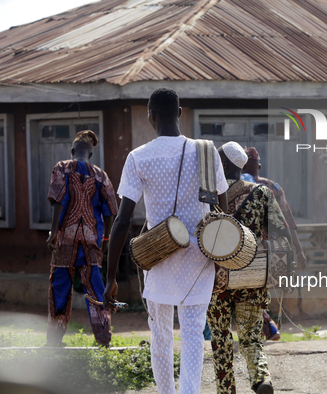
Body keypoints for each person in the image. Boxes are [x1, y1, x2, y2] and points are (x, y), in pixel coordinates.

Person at [103, 88, 228, 394]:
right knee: (193, 335)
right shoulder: (206, 151)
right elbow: (224, 212)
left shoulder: (138, 157)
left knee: (160, 336)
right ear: (180, 113)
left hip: (156, 257)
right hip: (199, 258)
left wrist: (109, 278)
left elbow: (121, 221)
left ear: (151, 117)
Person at [207, 142, 292, 394]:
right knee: (252, 339)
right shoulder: (262, 193)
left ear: (222, 164)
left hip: (218, 280)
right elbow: (282, 232)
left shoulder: (209, 195)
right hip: (252, 276)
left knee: (220, 338)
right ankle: (261, 378)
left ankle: (226, 389)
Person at [46, 130, 118, 347]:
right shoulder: (101, 175)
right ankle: (104, 340)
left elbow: (58, 200)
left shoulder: (62, 167)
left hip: (65, 241)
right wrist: (105, 239)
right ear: (90, 154)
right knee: (96, 291)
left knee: (59, 288)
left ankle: (54, 341)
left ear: (72, 150)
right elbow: (111, 212)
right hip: (91, 244)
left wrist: (53, 231)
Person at [242, 147, 306, 270]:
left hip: (246, 251)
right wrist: (299, 250)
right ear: (259, 167)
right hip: (275, 252)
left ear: (242, 167)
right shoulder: (274, 188)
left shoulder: (236, 187)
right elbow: (289, 223)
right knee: (276, 287)